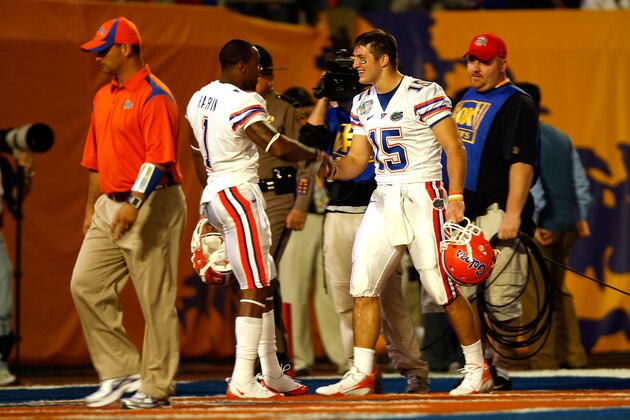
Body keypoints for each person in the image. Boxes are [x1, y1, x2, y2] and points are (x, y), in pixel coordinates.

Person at [315, 29, 492, 397]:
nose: (357, 65)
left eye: (363, 58)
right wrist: (330, 167)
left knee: (440, 288)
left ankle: (478, 367)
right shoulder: (362, 103)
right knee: (362, 282)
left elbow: (454, 149)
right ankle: (362, 372)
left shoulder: (423, 93)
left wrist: (455, 195)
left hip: (424, 193)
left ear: (384, 59)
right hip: (384, 196)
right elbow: (357, 160)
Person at [185, 39, 325, 399]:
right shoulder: (242, 100)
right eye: (258, 66)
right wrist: (315, 156)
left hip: (216, 191)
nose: (262, 73)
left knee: (264, 282)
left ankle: (273, 373)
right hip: (238, 194)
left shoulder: (200, 95)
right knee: (254, 286)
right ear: (244, 66)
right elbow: (275, 145)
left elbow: (194, 148)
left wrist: (211, 191)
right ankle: (242, 378)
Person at [71, 17, 187, 409]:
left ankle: (156, 387)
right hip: (110, 203)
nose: (98, 57)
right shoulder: (103, 95)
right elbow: (95, 159)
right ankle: (121, 369)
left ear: (126, 49)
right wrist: (92, 208)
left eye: (104, 50)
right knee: (85, 284)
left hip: (153, 201)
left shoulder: (155, 96)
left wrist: (134, 205)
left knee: (155, 299)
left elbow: (158, 160)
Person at [301, 94, 431, 393]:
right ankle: (359, 369)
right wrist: (323, 97)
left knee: (389, 299)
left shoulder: (379, 106)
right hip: (337, 212)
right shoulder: (332, 113)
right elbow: (308, 141)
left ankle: (413, 368)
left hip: (377, 209)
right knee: (345, 300)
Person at [451, 33, 539, 390]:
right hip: (465, 214)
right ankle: (479, 367)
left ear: (503, 62)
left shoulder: (518, 103)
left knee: (502, 299)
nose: (475, 66)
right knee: (463, 295)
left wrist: (513, 214)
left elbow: (522, 162)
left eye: (484, 61)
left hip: (497, 209)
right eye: (471, 59)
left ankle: (494, 366)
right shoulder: (462, 98)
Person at [516, 82, 590, 370]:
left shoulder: (526, 136)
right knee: (560, 292)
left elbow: (533, 183)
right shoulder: (561, 137)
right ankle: (574, 355)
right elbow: (580, 183)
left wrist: (536, 221)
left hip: (542, 224)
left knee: (536, 294)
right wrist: (580, 218)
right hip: (567, 225)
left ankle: (543, 361)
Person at [252, 45, 315, 373]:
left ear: (269, 77)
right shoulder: (239, 106)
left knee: (262, 271)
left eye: (260, 73)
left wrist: (301, 204)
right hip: (247, 196)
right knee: (256, 276)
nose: (254, 78)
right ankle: (272, 353)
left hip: (278, 198)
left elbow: (306, 159)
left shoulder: (285, 108)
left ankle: (271, 356)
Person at [0, 150, 35, 386]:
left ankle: (0, 364)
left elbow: (14, 200)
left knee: (3, 302)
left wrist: (26, 173)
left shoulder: (1, 163)